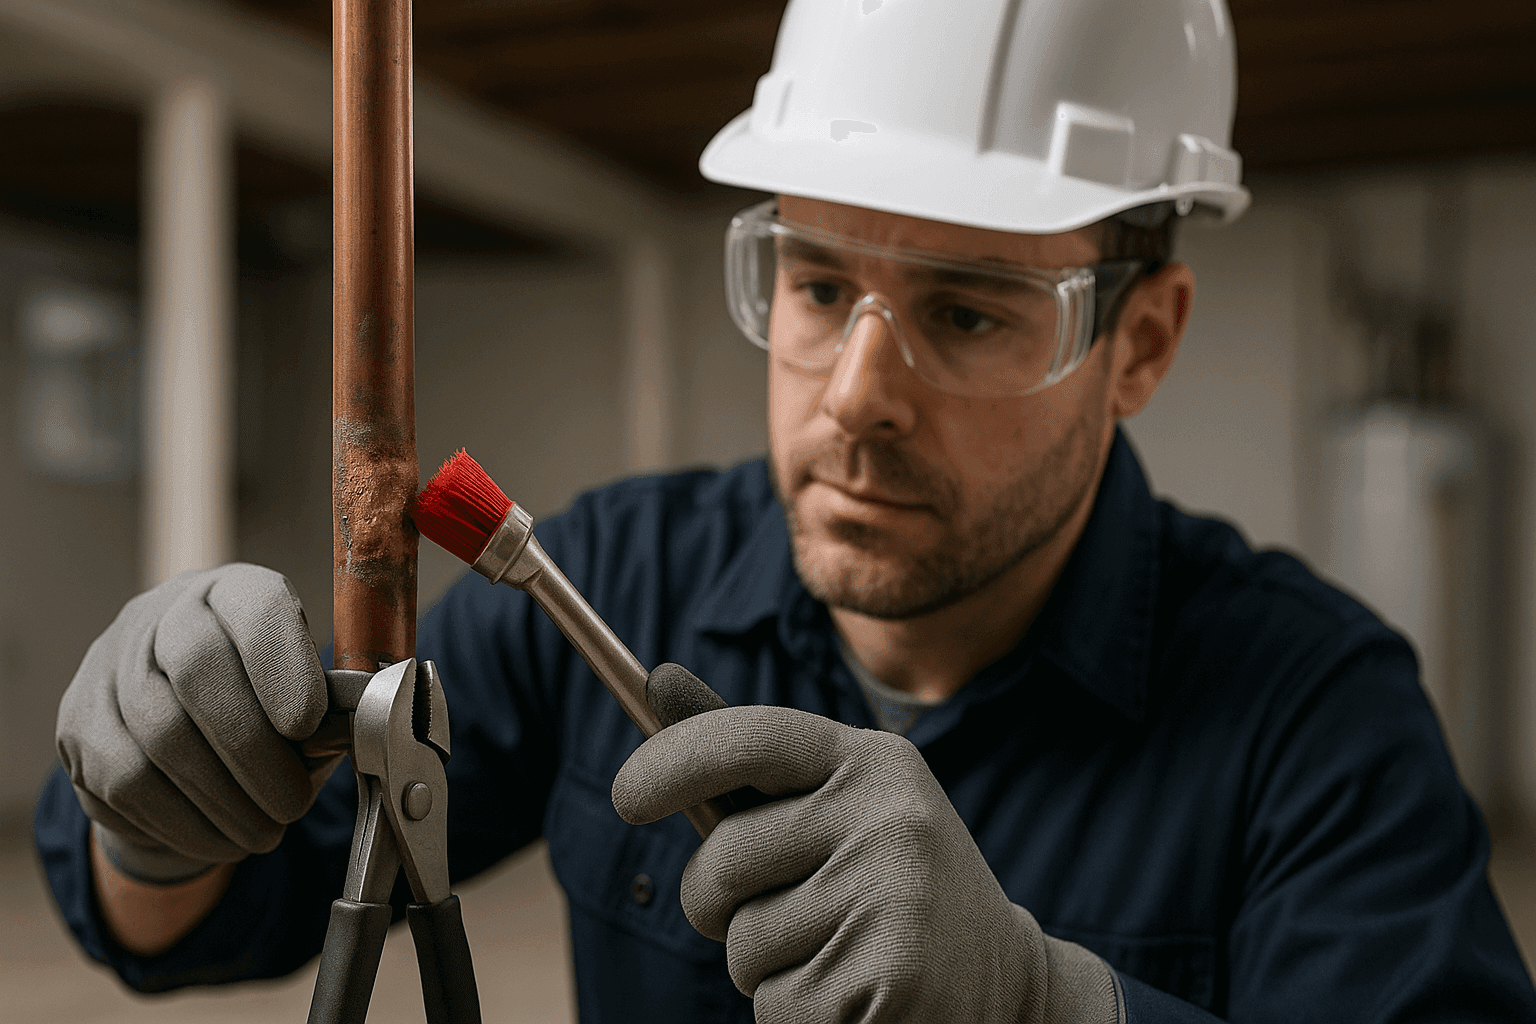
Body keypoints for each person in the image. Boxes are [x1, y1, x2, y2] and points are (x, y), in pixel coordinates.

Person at [34, 0, 1536, 1020]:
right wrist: (161, 814)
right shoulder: (614, 572)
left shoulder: (1318, 712)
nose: (853, 396)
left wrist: (1048, 1006)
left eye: (966, 315)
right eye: (819, 286)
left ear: (1137, 340)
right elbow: (213, 918)